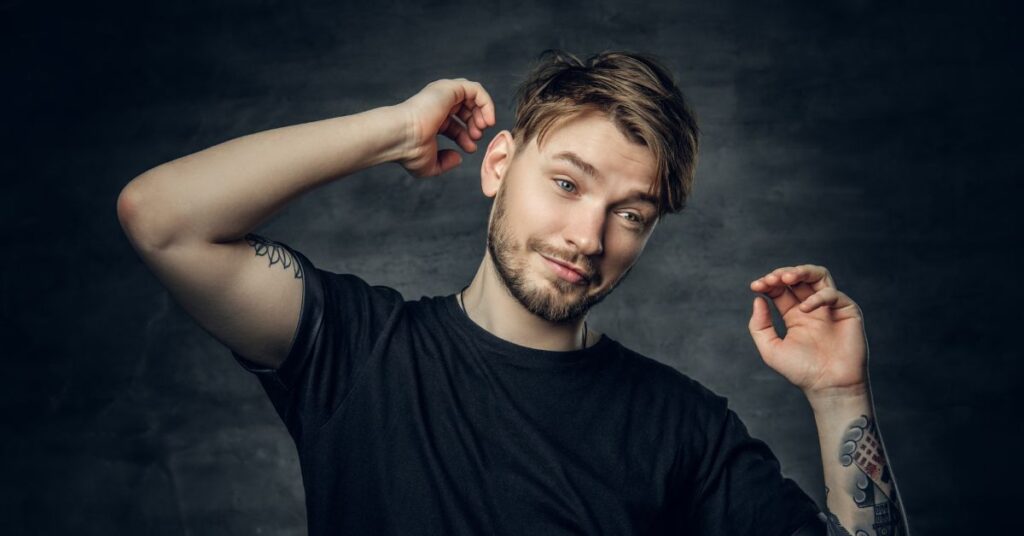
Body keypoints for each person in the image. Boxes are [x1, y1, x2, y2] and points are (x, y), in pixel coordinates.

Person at [117, 49, 909, 535]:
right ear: (498, 166)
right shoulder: (357, 351)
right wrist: (396, 130)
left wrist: (840, 395)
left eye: (629, 214)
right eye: (566, 183)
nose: (588, 236)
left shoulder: (682, 429)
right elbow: (162, 219)